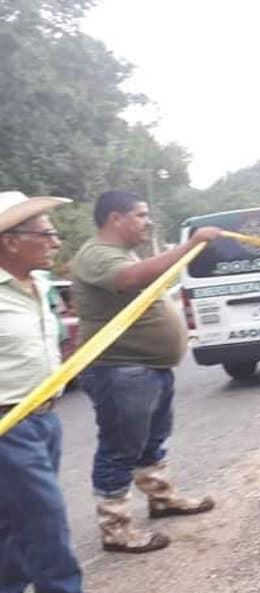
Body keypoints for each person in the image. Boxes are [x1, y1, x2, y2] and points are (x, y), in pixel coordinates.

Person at [71, 190, 220, 554]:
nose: (147, 222)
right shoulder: (96, 255)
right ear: (115, 219)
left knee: (151, 441)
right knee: (119, 448)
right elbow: (130, 278)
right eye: (140, 215)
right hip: (119, 370)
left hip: (148, 367)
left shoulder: (123, 252)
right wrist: (190, 245)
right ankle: (116, 528)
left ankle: (161, 498)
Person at [0, 191, 111, 593]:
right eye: (45, 232)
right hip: (8, 422)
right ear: (11, 241)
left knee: (12, 518)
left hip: (44, 417)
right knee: (43, 514)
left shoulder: (40, 285)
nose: (55, 240)